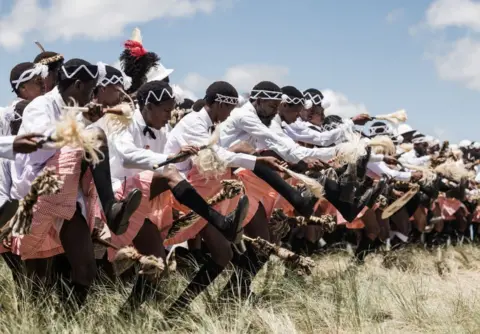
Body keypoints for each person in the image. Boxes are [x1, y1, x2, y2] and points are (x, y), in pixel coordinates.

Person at [11, 58, 142, 309]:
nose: (94, 96)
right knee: (36, 284)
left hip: (69, 194)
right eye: (93, 90)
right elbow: (40, 144)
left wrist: (85, 123)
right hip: (39, 190)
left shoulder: (75, 108)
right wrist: (82, 127)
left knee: (86, 271)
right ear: (79, 85)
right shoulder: (40, 106)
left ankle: (67, 320)